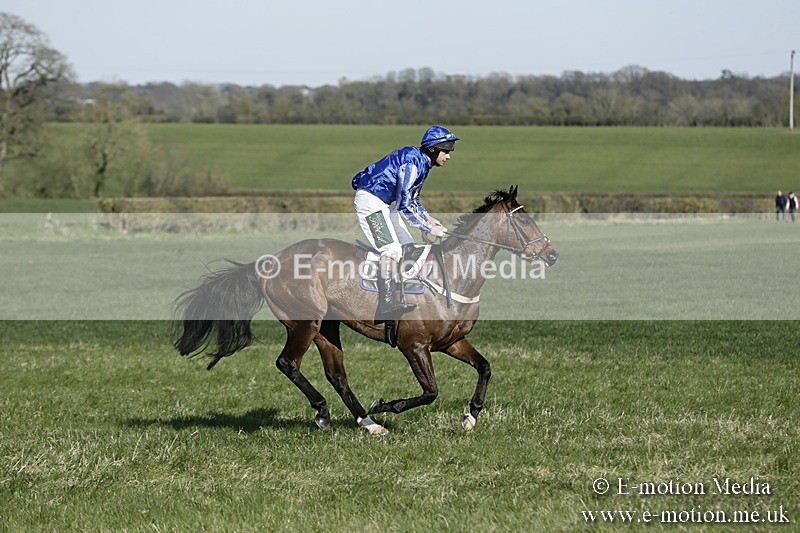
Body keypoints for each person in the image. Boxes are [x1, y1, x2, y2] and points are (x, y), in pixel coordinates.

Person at [352, 125, 459, 320]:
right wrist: (428, 228)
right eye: (446, 150)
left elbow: (413, 199)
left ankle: (404, 290)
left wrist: (428, 217)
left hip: (384, 204)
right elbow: (404, 204)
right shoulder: (412, 161)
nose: (449, 156)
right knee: (391, 250)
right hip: (370, 201)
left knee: (408, 246)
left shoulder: (423, 163)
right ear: (433, 149)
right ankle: (386, 302)